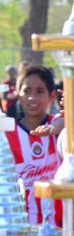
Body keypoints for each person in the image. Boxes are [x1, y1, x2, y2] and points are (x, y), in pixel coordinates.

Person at [5, 65, 60, 226]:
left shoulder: (59, 128)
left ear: (51, 96)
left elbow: (69, 120)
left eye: (39, 91)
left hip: (59, 228)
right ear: (18, 95)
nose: (32, 98)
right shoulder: (7, 135)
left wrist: (58, 127)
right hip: (19, 230)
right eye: (27, 91)